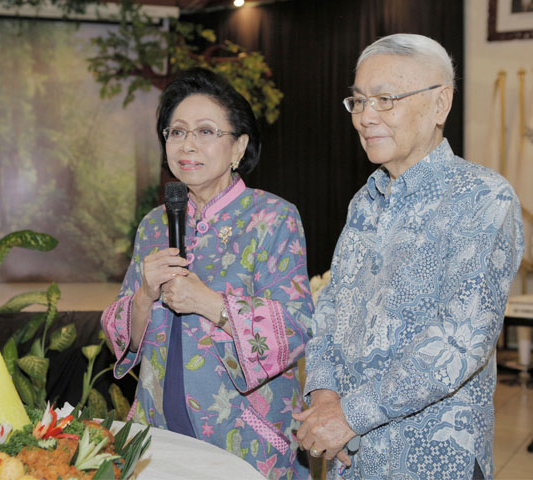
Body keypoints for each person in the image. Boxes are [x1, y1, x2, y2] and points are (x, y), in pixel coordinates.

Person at [294, 34, 524, 479]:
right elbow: (332, 306)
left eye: (385, 99)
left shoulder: (483, 198)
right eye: (358, 101)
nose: (365, 117)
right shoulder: (365, 200)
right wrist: (322, 395)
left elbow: (459, 339)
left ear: (441, 104)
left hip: (434, 460)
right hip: (352, 458)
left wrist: (348, 415)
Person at [102, 67, 314, 479]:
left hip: (243, 436)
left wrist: (210, 304)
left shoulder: (272, 218)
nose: (187, 145)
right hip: (158, 432)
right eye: (176, 132)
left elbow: (296, 329)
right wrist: (144, 294)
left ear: (238, 147)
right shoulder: (153, 224)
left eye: (205, 131)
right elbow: (119, 332)